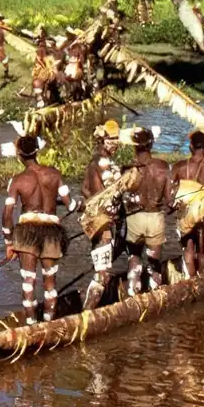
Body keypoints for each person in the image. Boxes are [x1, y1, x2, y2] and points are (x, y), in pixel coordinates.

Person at [0, 132, 69, 325]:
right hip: (52, 232)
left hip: (26, 233)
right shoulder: (54, 174)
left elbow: (7, 214)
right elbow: (70, 204)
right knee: (50, 284)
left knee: (28, 282)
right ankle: (48, 324)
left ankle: (31, 325)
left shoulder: (18, 180)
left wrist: (9, 242)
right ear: (37, 151)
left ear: (19, 154)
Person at [117, 126, 174, 297]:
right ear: (151, 144)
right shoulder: (163, 167)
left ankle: (132, 294)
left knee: (134, 257)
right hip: (155, 218)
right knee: (153, 261)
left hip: (134, 219)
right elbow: (170, 201)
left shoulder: (127, 169)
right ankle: (155, 296)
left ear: (134, 146)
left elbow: (120, 197)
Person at [78, 119, 124, 308]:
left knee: (103, 267)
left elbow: (85, 189)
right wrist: (104, 225)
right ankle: (87, 313)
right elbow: (99, 196)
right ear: (102, 140)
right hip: (101, 221)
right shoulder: (100, 163)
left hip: (103, 220)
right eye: (110, 140)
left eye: (116, 140)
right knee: (103, 273)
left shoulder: (100, 161)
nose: (114, 144)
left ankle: (88, 310)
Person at [170, 131, 204, 276]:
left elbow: (170, 191)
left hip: (185, 213)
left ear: (191, 146)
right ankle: (202, 278)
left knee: (188, 247)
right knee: (203, 250)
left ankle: (191, 280)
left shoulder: (179, 166)